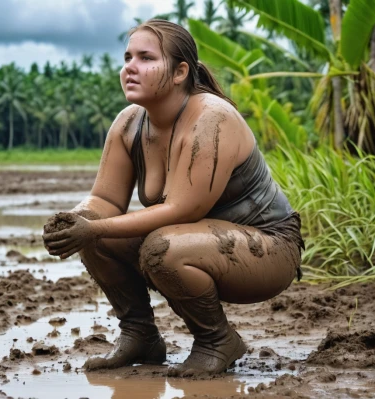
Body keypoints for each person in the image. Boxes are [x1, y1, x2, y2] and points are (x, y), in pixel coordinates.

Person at [42, 19, 304, 377]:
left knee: (160, 247)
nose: (130, 67)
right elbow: (103, 200)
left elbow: (181, 209)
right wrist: (76, 220)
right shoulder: (129, 123)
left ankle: (216, 340)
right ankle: (140, 334)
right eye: (127, 57)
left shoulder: (211, 119)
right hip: (195, 239)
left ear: (180, 72)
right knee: (95, 232)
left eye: (146, 58)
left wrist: (92, 226)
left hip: (268, 249)